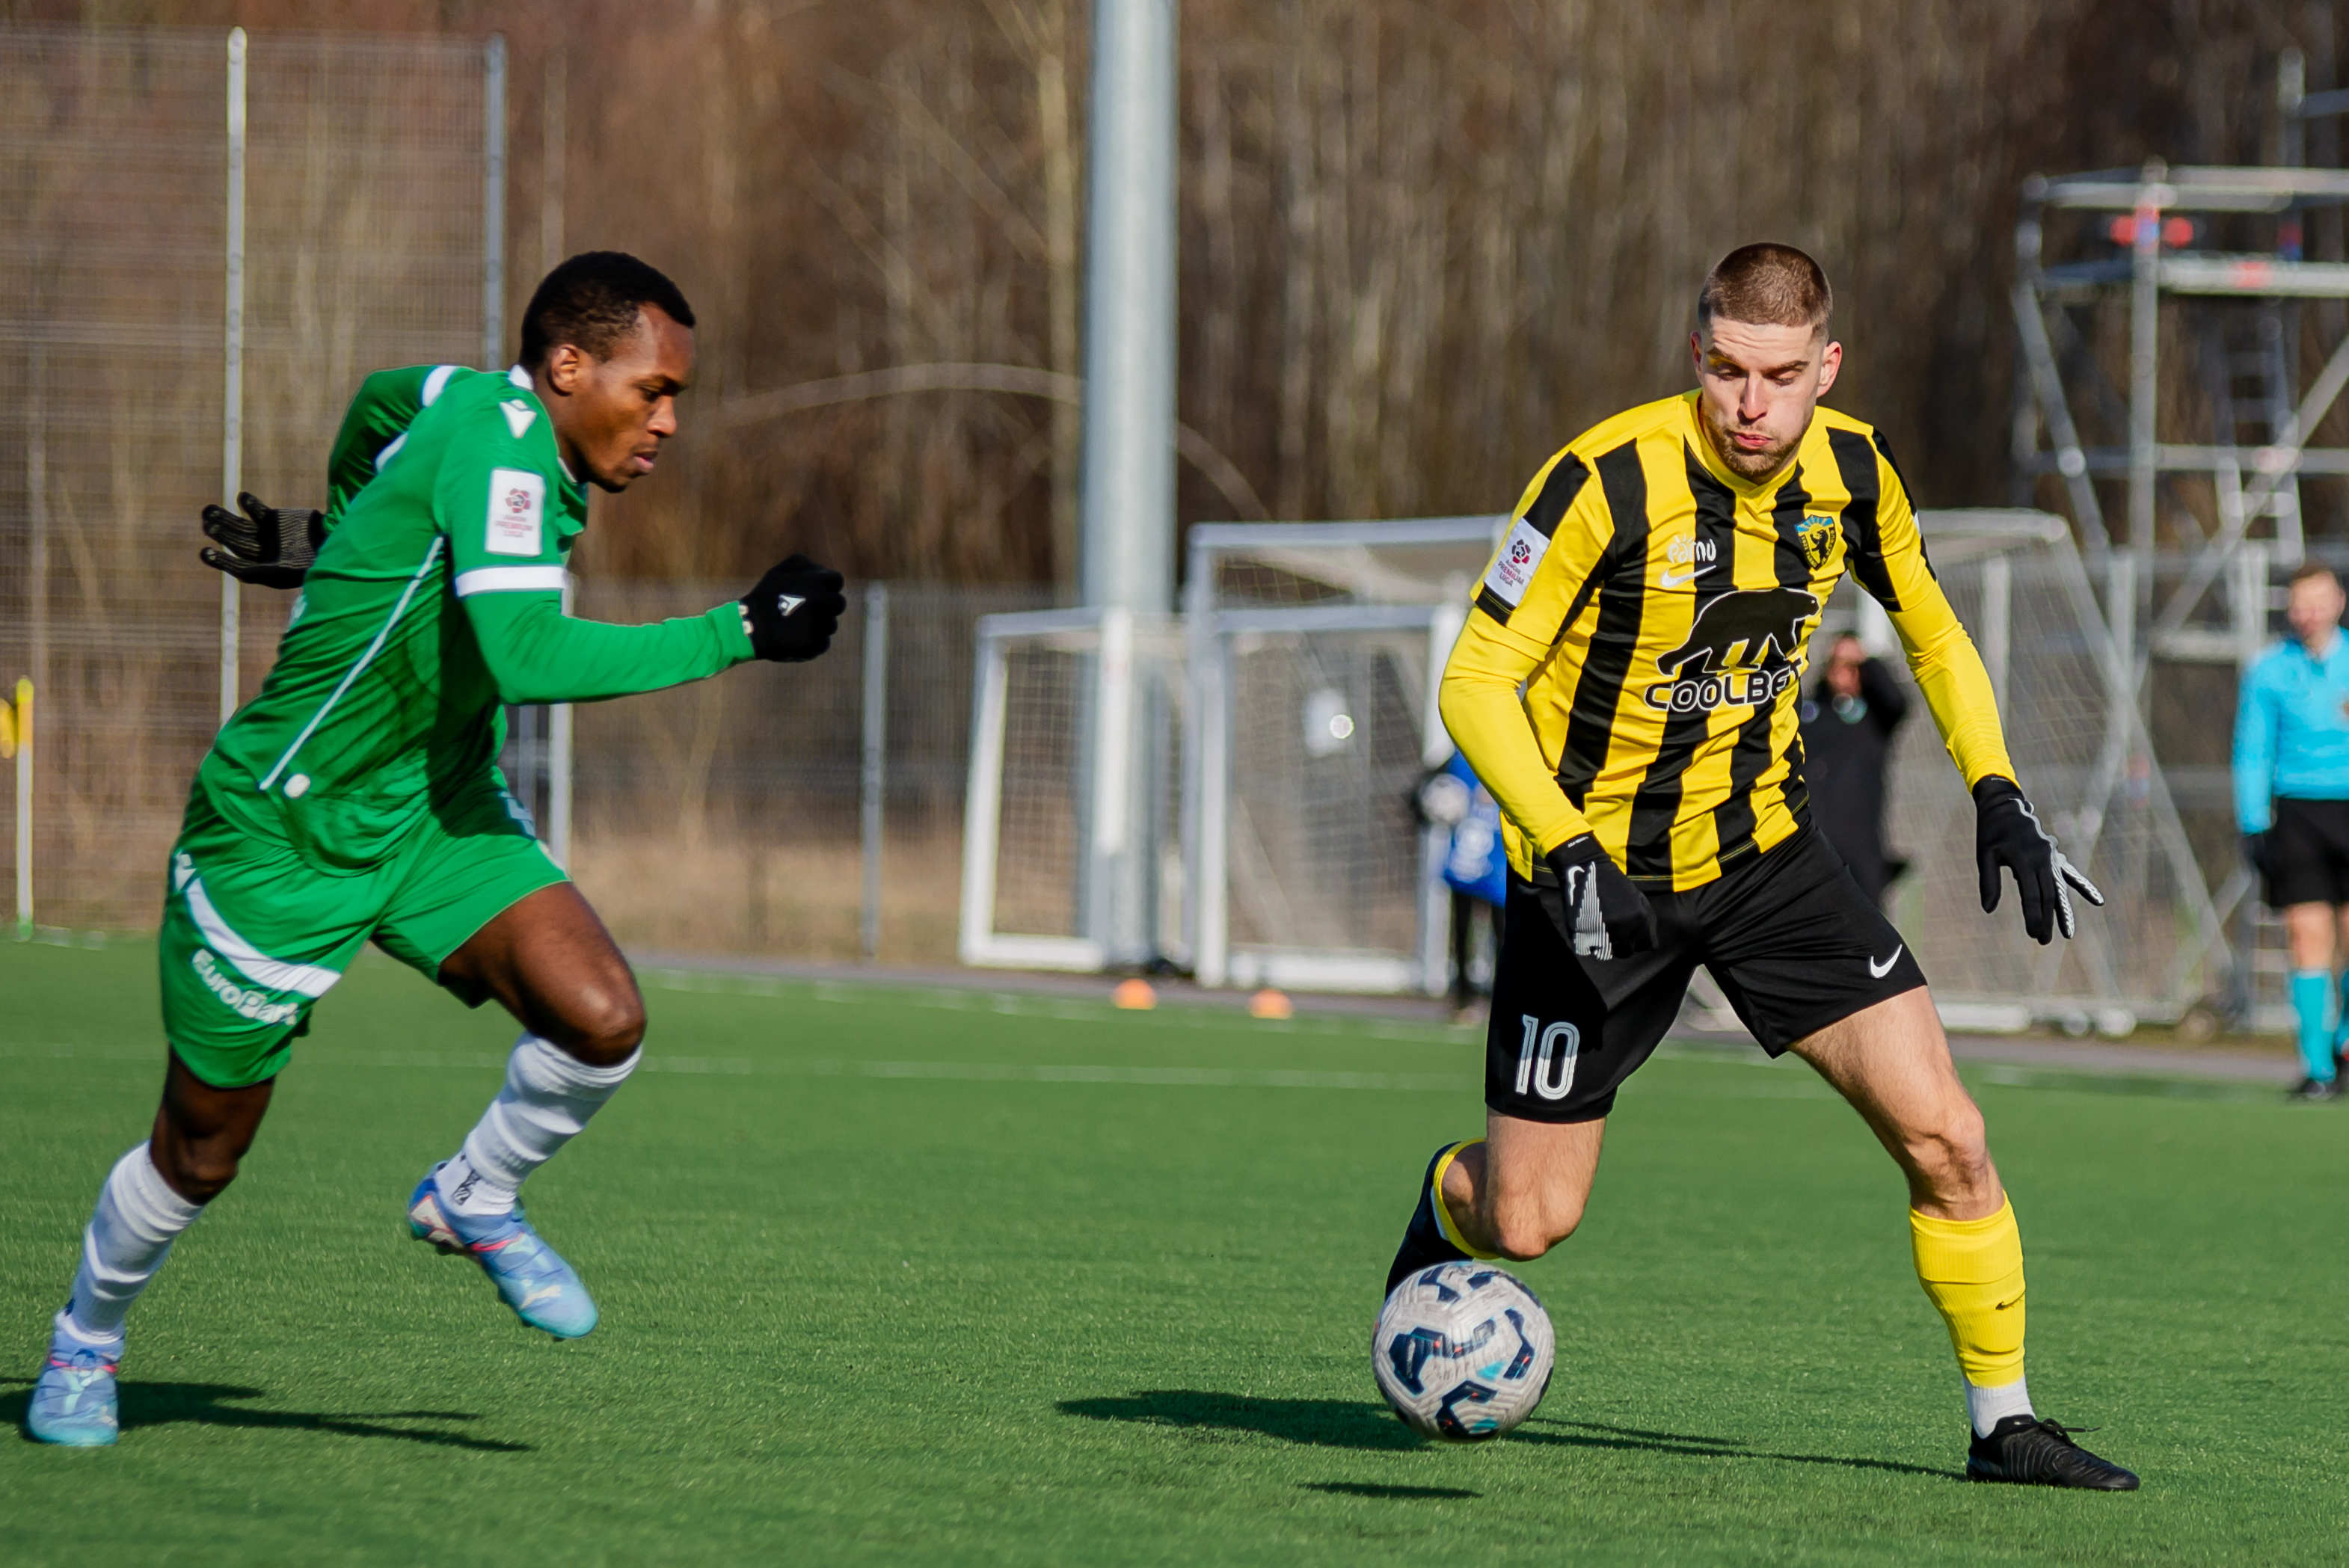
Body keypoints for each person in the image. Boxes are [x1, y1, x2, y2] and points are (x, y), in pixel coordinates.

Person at [24, 253, 850, 1446]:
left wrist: (345, 531)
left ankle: (474, 1194)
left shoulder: (468, 399)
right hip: (284, 831)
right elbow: (526, 656)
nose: (668, 420)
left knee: (603, 1019)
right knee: (202, 1151)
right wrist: (738, 631)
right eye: (653, 390)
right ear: (568, 366)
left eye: (676, 396)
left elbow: (379, 400)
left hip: (432, 808)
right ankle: (85, 1340)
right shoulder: (503, 453)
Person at [1383, 243, 2135, 1489]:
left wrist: (1996, 787)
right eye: (1728, 370)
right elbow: (1475, 680)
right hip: (1594, 881)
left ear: (1825, 368)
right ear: (1698, 354)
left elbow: (1934, 633)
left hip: (1764, 856)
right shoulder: (1602, 480)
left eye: (1781, 377)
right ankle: (1439, 1205)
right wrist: (1563, 844)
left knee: (1949, 1134)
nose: (1750, 403)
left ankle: (2002, 1424)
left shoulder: (1856, 471)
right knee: (1526, 1219)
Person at [2233, 560, 2349, 1101]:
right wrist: (2252, 821)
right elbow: (2252, 747)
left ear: (2338, 602)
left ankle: (2345, 1045)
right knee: (2307, 936)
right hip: (2298, 814)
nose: (2309, 613)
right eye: (2299, 604)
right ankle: (2316, 1067)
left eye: (2318, 602)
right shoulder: (2269, 670)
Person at [1799, 630, 1912, 907]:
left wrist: (1868, 661)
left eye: (1852, 666)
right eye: (1837, 663)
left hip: (1861, 847)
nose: (1843, 672)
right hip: (1813, 843)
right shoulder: (1811, 713)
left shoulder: (1874, 719)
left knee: (1866, 920)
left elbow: (1897, 702)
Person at [1416, 750, 1509, 1019]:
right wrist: (1428, 805)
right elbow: (1421, 793)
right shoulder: (1459, 757)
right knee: (1461, 927)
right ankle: (1464, 996)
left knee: (1502, 931)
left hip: (1500, 860)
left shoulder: (1511, 755)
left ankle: (1502, 997)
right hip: (1465, 860)